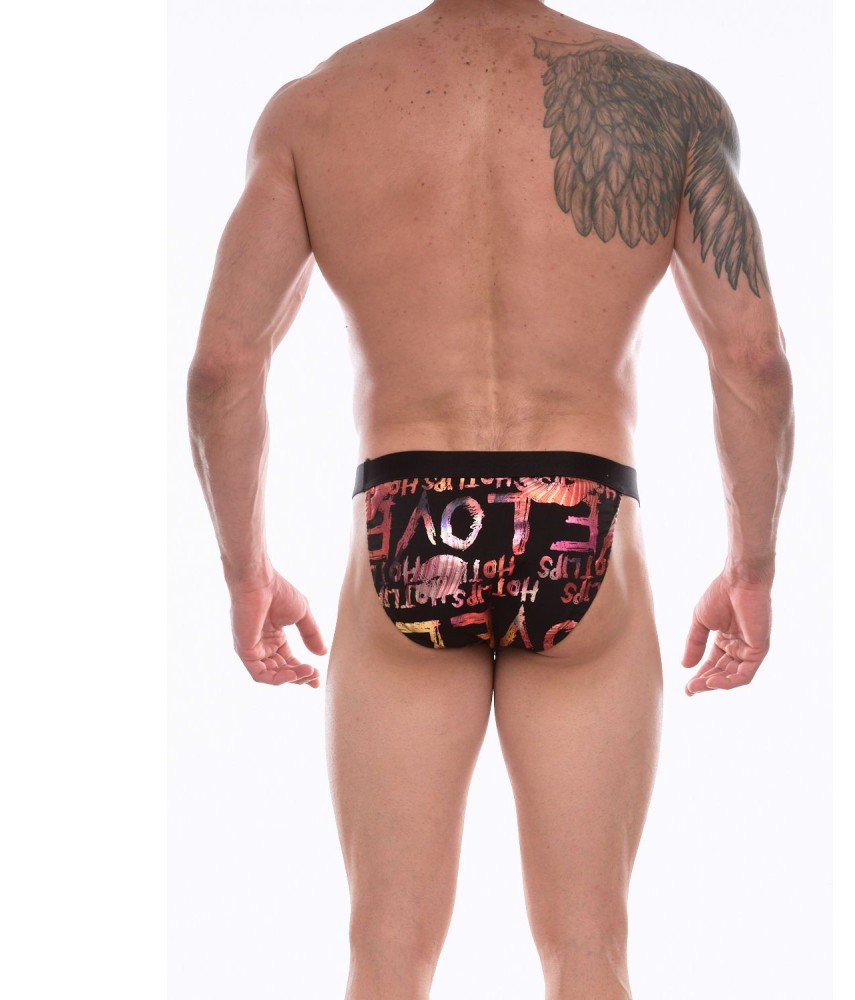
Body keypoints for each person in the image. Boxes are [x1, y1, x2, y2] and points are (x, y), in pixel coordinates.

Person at [186, 0, 795, 996]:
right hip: (581, 521)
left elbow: (221, 367)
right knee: (587, 945)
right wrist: (752, 567)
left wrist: (245, 571)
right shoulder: (667, 101)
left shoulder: (317, 108)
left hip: (408, 522)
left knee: (386, 948)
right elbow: (754, 360)